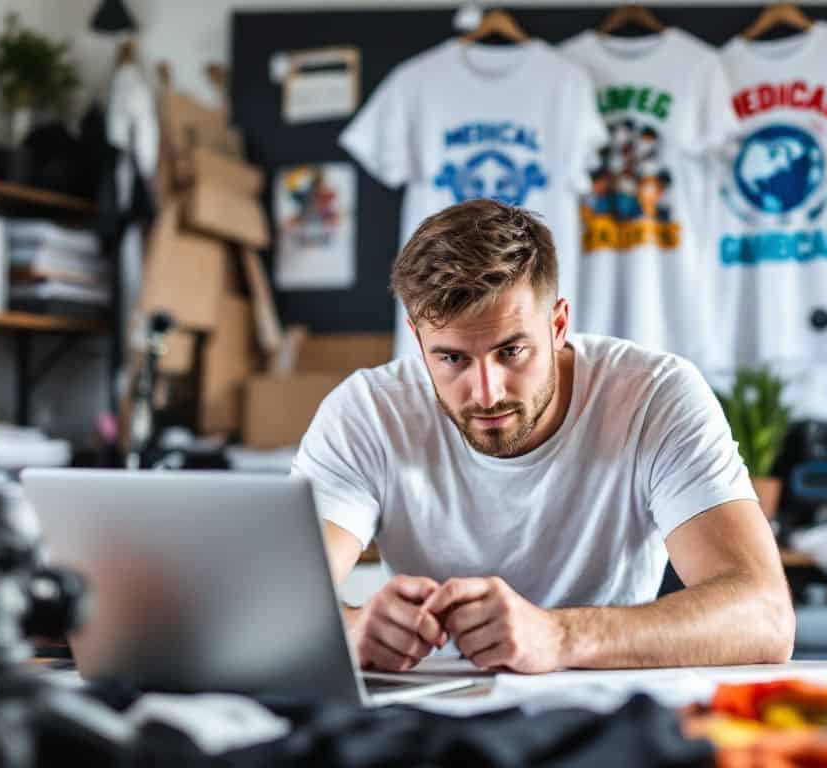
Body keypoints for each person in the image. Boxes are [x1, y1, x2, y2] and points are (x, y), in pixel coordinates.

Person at [292, 199, 793, 674]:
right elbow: (260, 601)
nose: (486, 394)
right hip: (433, 712)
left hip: (611, 711)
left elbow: (764, 616)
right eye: (451, 358)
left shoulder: (653, 395)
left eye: (511, 352)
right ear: (417, 338)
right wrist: (350, 629)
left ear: (557, 325)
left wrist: (559, 637)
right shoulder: (366, 412)